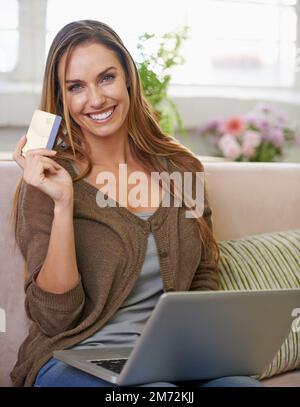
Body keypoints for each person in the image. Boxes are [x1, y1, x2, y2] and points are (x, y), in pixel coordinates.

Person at [10, 20, 262, 387]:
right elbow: (55, 321)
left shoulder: (182, 170)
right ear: (61, 97)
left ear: (128, 77)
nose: (95, 99)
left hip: (169, 357)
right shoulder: (47, 180)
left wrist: (201, 349)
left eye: (106, 78)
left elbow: (203, 275)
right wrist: (64, 204)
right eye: (76, 86)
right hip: (75, 360)